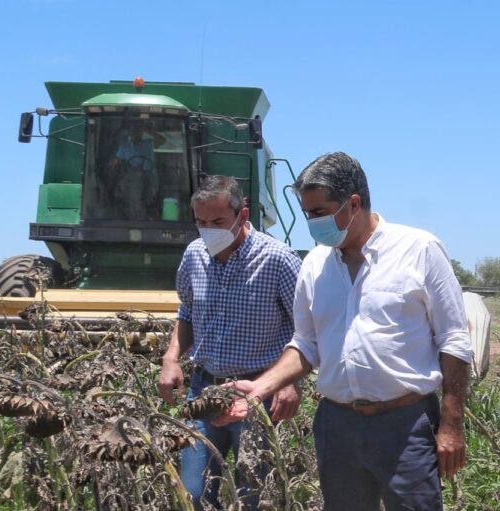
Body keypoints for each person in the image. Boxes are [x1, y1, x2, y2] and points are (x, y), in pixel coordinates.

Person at [213, 152, 473, 510]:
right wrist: (261, 387)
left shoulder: (419, 250)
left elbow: (455, 341)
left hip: (405, 423)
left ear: (353, 204)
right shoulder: (315, 264)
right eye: (307, 214)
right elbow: (305, 344)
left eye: (319, 213)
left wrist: (451, 423)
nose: (312, 223)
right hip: (337, 425)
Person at [157, 175, 303, 510]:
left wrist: (290, 382)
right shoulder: (195, 255)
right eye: (201, 222)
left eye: (218, 221)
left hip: (257, 393)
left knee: (253, 494)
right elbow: (188, 312)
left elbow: (306, 329)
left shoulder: (277, 259)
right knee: (192, 492)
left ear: (242, 214)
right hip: (204, 390)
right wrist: (172, 357)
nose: (208, 229)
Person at [108, 122, 165, 219]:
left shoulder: (149, 143)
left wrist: (150, 131)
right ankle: (136, 215)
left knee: (148, 194)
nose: (136, 133)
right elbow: (114, 163)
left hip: (150, 174)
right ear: (129, 133)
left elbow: (163, 141)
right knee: (134, 182)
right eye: (133, 131)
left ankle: (147, 208)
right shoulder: (124, 147)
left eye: (138, 131)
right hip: (132, 176)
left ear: (142, 132)